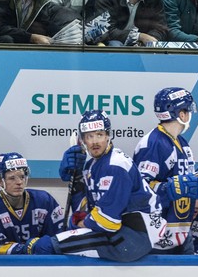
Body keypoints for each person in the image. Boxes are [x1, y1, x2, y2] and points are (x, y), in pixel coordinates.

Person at [31, 110, 165, 260]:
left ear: (108, 136)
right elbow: (89, 208)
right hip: (123, 231)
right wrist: (76, 182)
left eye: (99, 135)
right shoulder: (91, 166)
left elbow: (108, 221)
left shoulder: (116, 165)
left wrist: (77, 224)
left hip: (135, 235)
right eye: (89, 136)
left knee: (48, 246)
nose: (95, 141)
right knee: (57, 243)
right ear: (82, 140)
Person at [133, 88, 198, 253]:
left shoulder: (182, 143)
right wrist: (169, 188)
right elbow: (139, 189)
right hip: (158, 236)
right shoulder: (153, 144)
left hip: (181, 230)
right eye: (188, 110)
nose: (190, 114)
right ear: (181, 115)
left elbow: (186, 182)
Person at [0, 153, 65, 254]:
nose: (19, 182)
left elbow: (60, 237)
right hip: (5, 266)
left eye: (22, 177)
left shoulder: (44, 201)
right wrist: (28, 248)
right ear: (0, 181)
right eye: (12, 178)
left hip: (41, 263)